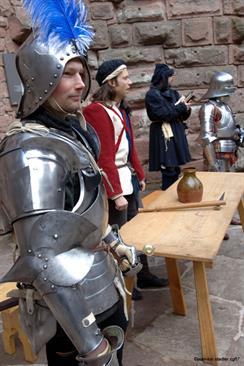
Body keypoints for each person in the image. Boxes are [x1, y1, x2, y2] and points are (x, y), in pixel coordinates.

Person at [0, 2, 141, 366]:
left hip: (100, 280)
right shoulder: (29, 150)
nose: (81, 84)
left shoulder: (70, 130)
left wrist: (112, 240)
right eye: (68, 74)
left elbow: (82, 208)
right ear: (41, 76)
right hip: (70, 311)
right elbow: (42, 259)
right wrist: (92, 347)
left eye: (82, 73)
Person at [83, 59, 169, 301]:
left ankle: (144, 274)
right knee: (119, 236)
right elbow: (104, 156)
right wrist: (115, 193)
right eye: (126, 78)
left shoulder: (119, 109)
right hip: (116, 184)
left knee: (137, 231)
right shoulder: (95, 111)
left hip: (127, 178)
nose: (130, 82)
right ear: (111, 82)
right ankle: (125, 282)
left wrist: (140, 175)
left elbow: (129, 147)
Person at [199, 71, 244, 232]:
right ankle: (217, 226)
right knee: (216, 190)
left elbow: (230, 127)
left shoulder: (224, 106)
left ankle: (228, 217)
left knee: (228, 187)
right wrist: (211, 163)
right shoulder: (208, 108)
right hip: (216, 152)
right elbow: (206, 137)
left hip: (229, 150)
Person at [145, 64, 192, 190]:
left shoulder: (173, 93)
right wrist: (181, 107)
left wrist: (186, 108)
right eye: (171, 76)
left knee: (175, 168)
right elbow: (162, 114)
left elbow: (180, 114)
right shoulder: (152, 95)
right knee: (168, 168)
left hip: (175, 132)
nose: (173, 79)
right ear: (163, 77)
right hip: (163, 135)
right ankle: (168, 194)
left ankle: (173, 194)